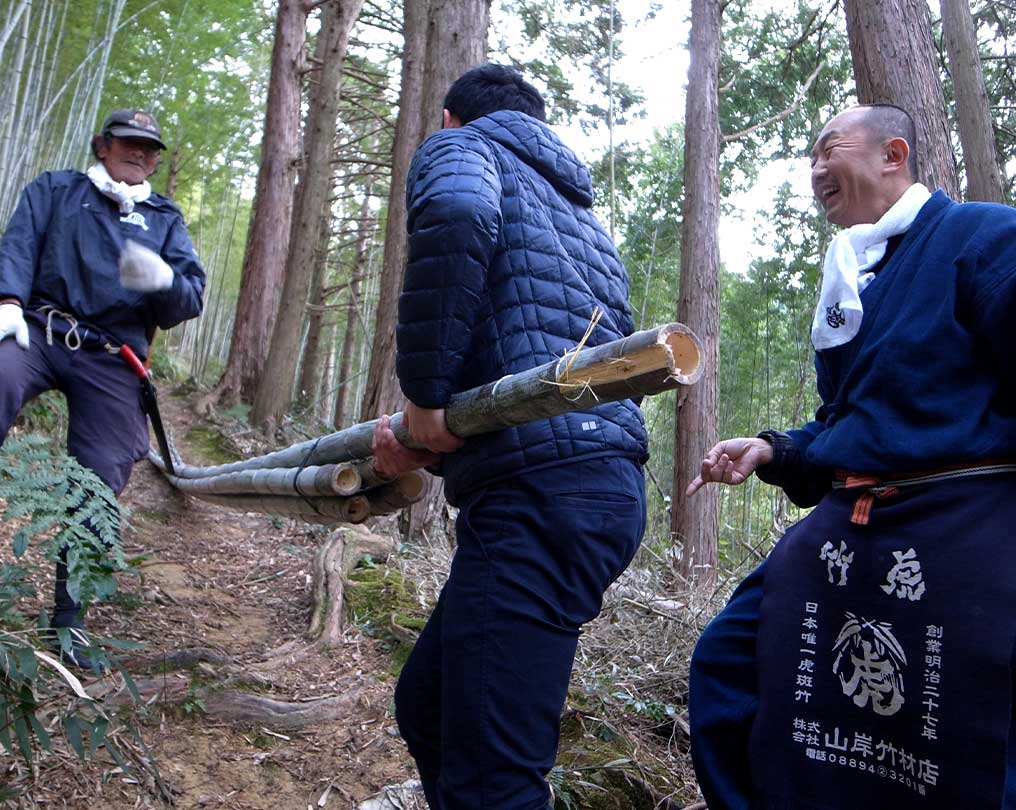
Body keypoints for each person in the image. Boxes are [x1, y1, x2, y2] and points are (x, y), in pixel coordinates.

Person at [687, 103, 1016, 809]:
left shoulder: (983, 237)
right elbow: (851, 424)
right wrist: (775, 450)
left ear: (892, 154)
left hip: (964, 515)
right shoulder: (853, 278)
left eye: (827, 148)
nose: (813, 171)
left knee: (974, 724)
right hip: (852, 514)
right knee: (727, 667)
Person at [371, 64, 648, 809]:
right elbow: (528, 345)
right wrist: (433, 439)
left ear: (451, 117)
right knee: (428, 709)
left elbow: (458, 219)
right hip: (597, 483)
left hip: (546, 493)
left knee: (494, 778)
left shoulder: (462, 148)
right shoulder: (582, 219)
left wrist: (426, 394)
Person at [0, 109, 205, 667]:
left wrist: (164, 279)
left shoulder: (164, 217)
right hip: (38, 329)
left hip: (112, 355)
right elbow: (18, 244)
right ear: (102, 145)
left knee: (102, 471)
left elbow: (190, 299)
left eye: (151, 149)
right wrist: (6, 306)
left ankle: (68, 620)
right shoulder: (56, 190)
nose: (141, 155)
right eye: (129, 143)